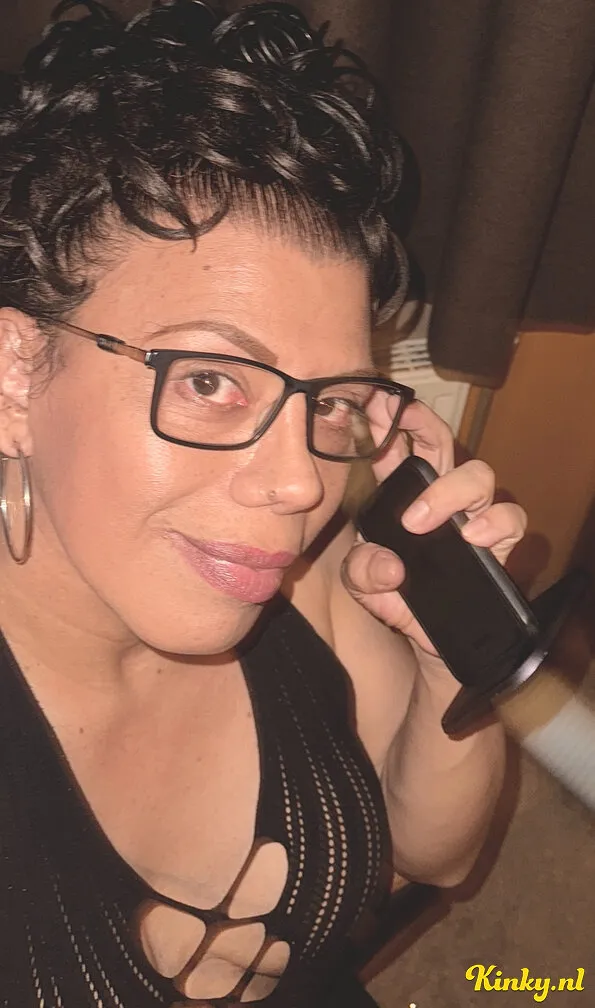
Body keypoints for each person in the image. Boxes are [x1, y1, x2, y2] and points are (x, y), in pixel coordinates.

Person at [0, 1, 525, 1005]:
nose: (301, 486)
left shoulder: (304, 574)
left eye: (329, 402)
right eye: (210, 380)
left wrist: (447, 662)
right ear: (18, 374)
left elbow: (438, 859)